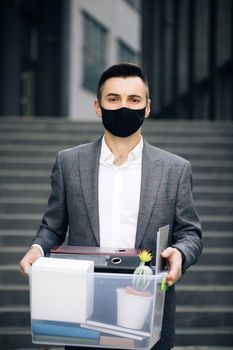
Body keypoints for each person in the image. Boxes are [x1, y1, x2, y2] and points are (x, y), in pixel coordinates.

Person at [19, 63, 202, 350]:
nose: (123, 107)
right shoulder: (69, 163)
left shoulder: (175, 169)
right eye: (113, 99)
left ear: (147, 107)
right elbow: (52, 227)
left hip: (146, 307)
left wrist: (179, 253)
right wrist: (37, 248)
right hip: (82, 310)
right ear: (98, 106)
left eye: (134, 100)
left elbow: (190, 233)